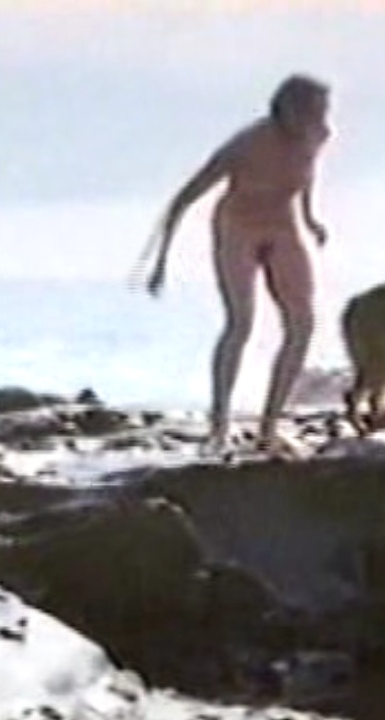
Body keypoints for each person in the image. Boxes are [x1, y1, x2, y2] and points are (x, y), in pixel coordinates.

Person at [140, 74, 332, 454]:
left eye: (323, 111)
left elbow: (306, 172)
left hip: (283, 223)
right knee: (241, 322)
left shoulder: (318, 135)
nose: (321, 120)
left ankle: (269, 426)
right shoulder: (246, 144)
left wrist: (310, 217)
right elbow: (183, 198)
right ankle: (219, 426)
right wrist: (160, 261)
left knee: (302, 324)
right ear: (288, 110)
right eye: (313, 111)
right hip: (238, 226)